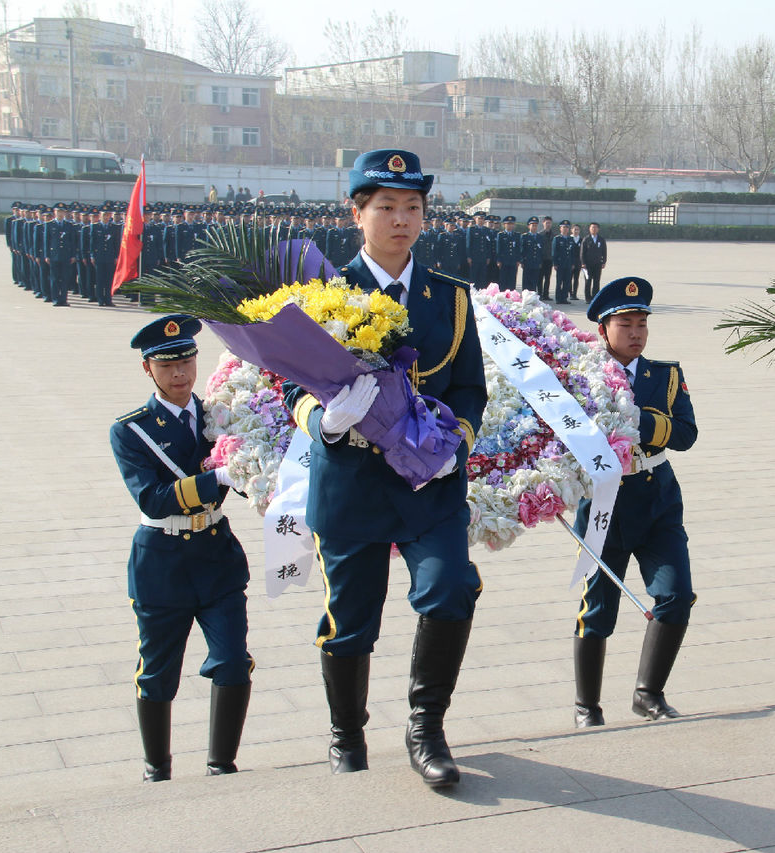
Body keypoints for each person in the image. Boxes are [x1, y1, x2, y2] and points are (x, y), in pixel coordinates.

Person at [283, 149, 487, 789]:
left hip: (430, 482)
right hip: (352, 484)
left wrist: (454, 435)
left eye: (413, 208)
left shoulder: (449, 299)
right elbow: (287, 387)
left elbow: (471, 388)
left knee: (451, 587)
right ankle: (347, 732)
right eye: (386, 208)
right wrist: (325, 420)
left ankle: (427, 725)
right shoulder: (323, 297)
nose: (401, 220)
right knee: (350, 620)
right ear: (357, 213)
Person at [110, 315, 253, 782]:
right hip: (163, 560)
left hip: (216, 555)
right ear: (147, 370)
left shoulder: (222, 414)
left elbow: (256, 468)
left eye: (187, 361)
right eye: (166, 365)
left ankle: (222, 764)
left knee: (233, 660)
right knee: (157, 671)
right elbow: (151, 498)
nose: (180, 374)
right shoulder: (131, 431)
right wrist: (217, 478)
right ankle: (157, 768)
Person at [572, 277, 698, 728]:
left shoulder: (664, 375)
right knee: (598, 606)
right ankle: (587, 705)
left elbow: (685, 434)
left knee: (676, 594)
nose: (636, 333)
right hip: (604, 501)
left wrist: (637, 419)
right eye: (626, 323)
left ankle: (649, 694)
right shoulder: (579, 375)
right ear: (603, 328)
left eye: (642, 323)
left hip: (656, 496)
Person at [581, 222, 608, 302]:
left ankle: (595, 298)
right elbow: (582, 252)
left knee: (596, 281)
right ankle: (588, 298)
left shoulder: (601, 239)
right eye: (592, 227)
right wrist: (583, 263)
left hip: (597, 264)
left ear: (598, 229)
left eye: (595, 227)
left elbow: (604, 251)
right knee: (588, 281)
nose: (594, 229)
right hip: (588, 264)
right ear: (589, 229)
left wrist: (604, 261)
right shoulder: (586, 239)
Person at [552, 220, 575, 304]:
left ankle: (564, 298)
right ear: (560, 228)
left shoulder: (570, 239)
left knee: (567, 282)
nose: (565, 229)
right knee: (559, 282)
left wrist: (572, 263)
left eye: (567, 227)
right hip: (560, 264)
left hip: (568, 264)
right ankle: (558, 298)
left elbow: (573, 253)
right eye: (563, 227)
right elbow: (554, 252)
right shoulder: (557, 239)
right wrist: (555, 263)